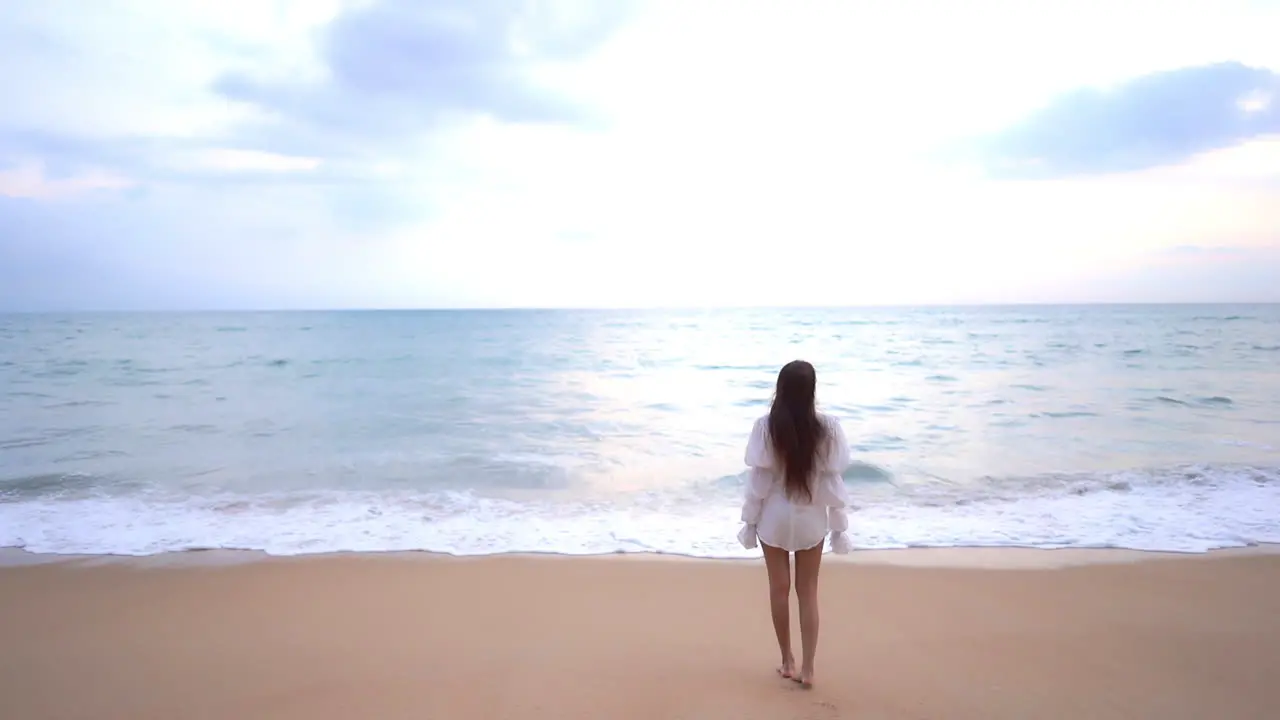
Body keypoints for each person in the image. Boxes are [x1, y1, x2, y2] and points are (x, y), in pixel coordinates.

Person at [737, 360, 853, 689]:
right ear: (812, 390)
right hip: (810, 521)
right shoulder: (828, 428)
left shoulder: (765, 427)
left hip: (773, 520)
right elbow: (833, 482)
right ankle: (809, 668)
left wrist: (748, 521)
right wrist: (838, 526)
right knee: (808, 592)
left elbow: (758, 482)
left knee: (778, 588)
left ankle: (787, 660)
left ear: (780, 388)